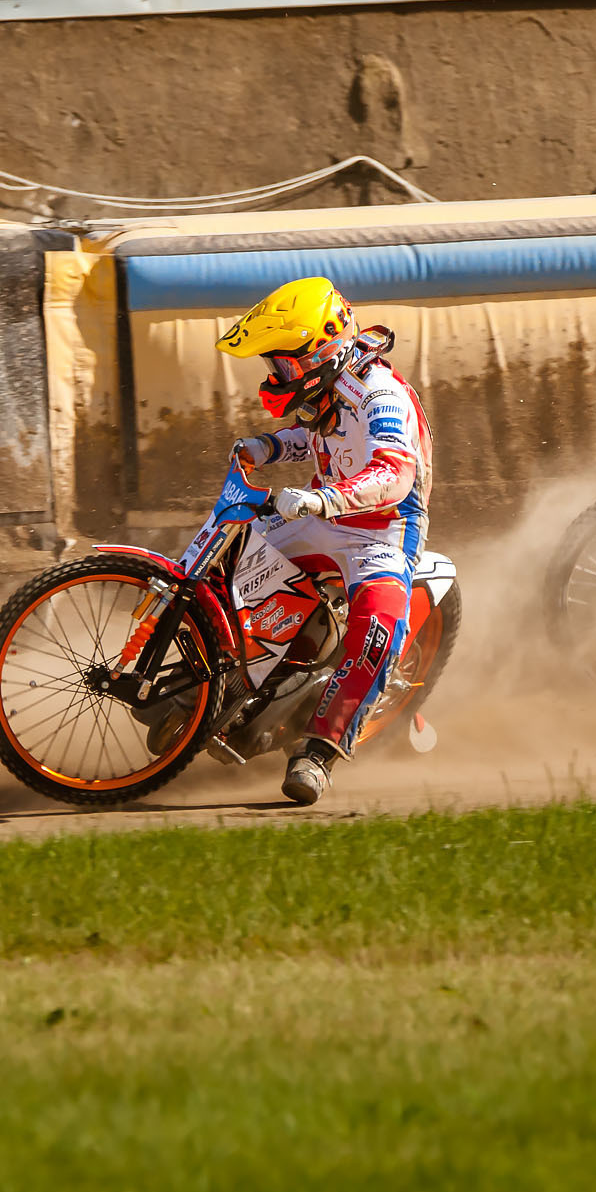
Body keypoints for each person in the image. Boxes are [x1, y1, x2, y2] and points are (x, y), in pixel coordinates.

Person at [218, 276, 432, 806]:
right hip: (321, 511)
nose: (276, 376)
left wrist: (324, 499)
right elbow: (314, 436)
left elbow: (393, 474)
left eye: (283, 366)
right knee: (229, 557)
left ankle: (320, 750)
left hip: (383, 530)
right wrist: (266, 447)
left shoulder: (381, 394)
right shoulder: (330, 383)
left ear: (320, 352)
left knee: (378, 631)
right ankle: (222, 677)